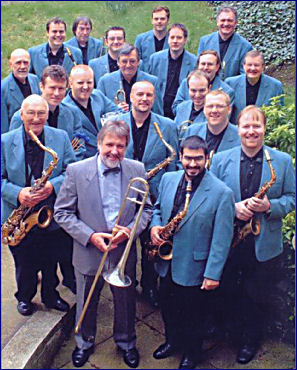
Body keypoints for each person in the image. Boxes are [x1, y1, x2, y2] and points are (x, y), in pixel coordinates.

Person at [54, 120, 153, 368]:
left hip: (122, 250)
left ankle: (127, 342)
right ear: (99, 144)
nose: (114, 151)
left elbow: (147, 210)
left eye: (120, 146)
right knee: (87, 300)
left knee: (126, 302)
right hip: (89, 250)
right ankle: (84, 342)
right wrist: (90, 236)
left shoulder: (137, 169)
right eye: (109, 144)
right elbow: (62, 213)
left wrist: (129, 231)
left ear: (126, 147)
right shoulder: (76, 170)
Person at [210, 105, 295, 364]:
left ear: (265, 129)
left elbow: (292, 198)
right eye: (246, 126)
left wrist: (271, 206)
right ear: (238, 129)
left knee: (257, 295)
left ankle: (250, 340)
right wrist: (232, 208)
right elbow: (210, 197)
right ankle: (230, 332)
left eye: (256, 126)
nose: (251, 131)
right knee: (228, 289)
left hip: (263, 243)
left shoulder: (281, 160)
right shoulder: (221, 159)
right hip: (231, 239)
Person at [150, 135, 235, 369]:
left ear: (207, 159)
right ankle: (172, 341)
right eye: (188, 158)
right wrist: (155, 226)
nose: (193, 164)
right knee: (167, 306)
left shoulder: (222, 193)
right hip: (166, 261)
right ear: (180, 157)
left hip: (195, 266)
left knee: (194, 314)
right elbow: (157, 209)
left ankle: (192, 352)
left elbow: (222, 239)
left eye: (199, 159)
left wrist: (213, 274)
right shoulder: (168, 178)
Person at [1, 94, 76, 316]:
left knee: (51, 258)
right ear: (21, 114)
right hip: (19, 215)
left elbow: (71, 170)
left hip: (49, 213)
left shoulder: (60, 137)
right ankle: (24, 296)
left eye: (41, 113)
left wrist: (51, 186)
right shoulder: (4, 141)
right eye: (31, 113)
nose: (36, 118)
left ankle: (50, 296)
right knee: (24, 262)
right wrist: (19, 193)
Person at [115, 80, 179, 307]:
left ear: (154, 98)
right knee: (124, 241)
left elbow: (174, 164)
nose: (144, 99)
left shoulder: (167, 126)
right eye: (139, 94)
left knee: (151, 243)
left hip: (154, 195)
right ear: (130, 97)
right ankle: (125, 283)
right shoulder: (116, 122)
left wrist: (165, 196)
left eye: (149, 95)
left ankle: (149, 285)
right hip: (125, 194)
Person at [10, 65, 86, 161]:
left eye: (61, 88)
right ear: (41, 86)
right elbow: (14, 152)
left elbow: (79, 148)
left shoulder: (73, 113)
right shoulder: (20, 117)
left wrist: (65, 169)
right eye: (52, 88)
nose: (57, 93)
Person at [63, 64, 116, 157]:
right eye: (80, 83)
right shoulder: (65, 109)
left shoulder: (98, 96)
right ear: (70, 83)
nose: (85, 87)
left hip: (109, 154)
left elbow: (118, 113)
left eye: (89, 82)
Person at [97, 44, 163, 115]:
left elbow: (158, 113)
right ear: (118, 62)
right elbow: (99, 112)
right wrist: (115, 110)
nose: (128, 65)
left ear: (138, 62)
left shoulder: (152, 82)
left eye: (132, 61)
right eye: (124, 61)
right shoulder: (104, 82)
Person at [149, 23, 197, 119]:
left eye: (179, 38)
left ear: (185, 40)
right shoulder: (155, 59)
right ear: (168, 39)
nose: (175, 41)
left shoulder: (194, 62)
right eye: (172, 37)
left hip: (181, 110)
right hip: (159, 109)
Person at [225, 50, 284, 123]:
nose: (252, 68)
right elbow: (225, 113)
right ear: (244, 66)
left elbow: (280, 116)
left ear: (263, 67)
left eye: (256, 65)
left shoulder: (275, 86)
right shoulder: (230, 84)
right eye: (249, 65)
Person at [197, 6, 252, 80]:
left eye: (230, 20)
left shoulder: (245, 47)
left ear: (235, 23)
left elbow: (244, 77)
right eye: (223, 20)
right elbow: (198, 69)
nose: (226, 24)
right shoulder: (205, 42)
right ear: (217, 22)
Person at [172, 49, 235, 114]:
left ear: (217, 67)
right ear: (198, 65)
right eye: (203, 64)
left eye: (210, 64)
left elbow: (224, 116)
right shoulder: (186, 82)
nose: (205, 67)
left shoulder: (227, 91)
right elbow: (175, 107)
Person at [186, 90, 240, 155]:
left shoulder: (239, 136)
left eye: (219, 106)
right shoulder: (191, 131)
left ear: (229, 109)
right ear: (204, 109)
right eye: (210, 106)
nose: (214, 110)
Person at [1, 49, 40, 134]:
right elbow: (3, 125)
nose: (22, 66)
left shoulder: (35, 80)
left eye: (25, 62)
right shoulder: (3, 89)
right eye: (18, 63)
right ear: (11, 65)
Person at [174, 70, 210, 143]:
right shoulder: (181, 107)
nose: (197, 95)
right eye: (193, 90)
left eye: (202, 90)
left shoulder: (213, 112)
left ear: (209, 89)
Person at [134, 6, 170, 72]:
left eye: (162, 19)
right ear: (152, 21)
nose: (159, 21)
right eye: (156, 19)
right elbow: (135, 62)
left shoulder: (174, 40)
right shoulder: (140, 39)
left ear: (168, 20)